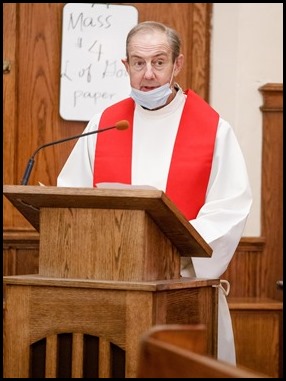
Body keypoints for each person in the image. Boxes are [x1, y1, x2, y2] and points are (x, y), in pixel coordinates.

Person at [57, 21, 252, 365]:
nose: (148, 74)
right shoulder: (105, 123)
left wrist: (169, 254)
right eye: (138, 62)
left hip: (181, 293)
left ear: (177, 65)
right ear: (125, 65)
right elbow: (71, 197)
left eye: (159, 62)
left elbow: (229, 208)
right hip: (111, 288)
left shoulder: (212, 129)